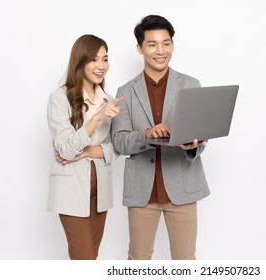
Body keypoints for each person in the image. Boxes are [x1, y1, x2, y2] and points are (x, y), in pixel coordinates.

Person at [111, 15, 210, 260]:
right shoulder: (125, 91)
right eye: (152, 44)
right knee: (138, 261)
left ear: (173, 45)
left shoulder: (191, 85)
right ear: (140, 48)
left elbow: (200, 137)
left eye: (166, 43)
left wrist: (193, 145)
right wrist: (146, 135)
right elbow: (120, 141)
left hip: (183, 188)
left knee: (185, 260)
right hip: (142, 192)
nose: (160, 51)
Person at [47, 34, 123, 260]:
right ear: (80, 61)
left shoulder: (108, 99)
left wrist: (90, 151)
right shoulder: (60, 98)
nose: (102, 66)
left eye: (105, 59)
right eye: (94, 60)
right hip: (71, 190)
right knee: (85, 259)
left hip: (100, 192)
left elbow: (116, 148)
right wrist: (96, 118)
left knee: (91, 258)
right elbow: (65, 149)